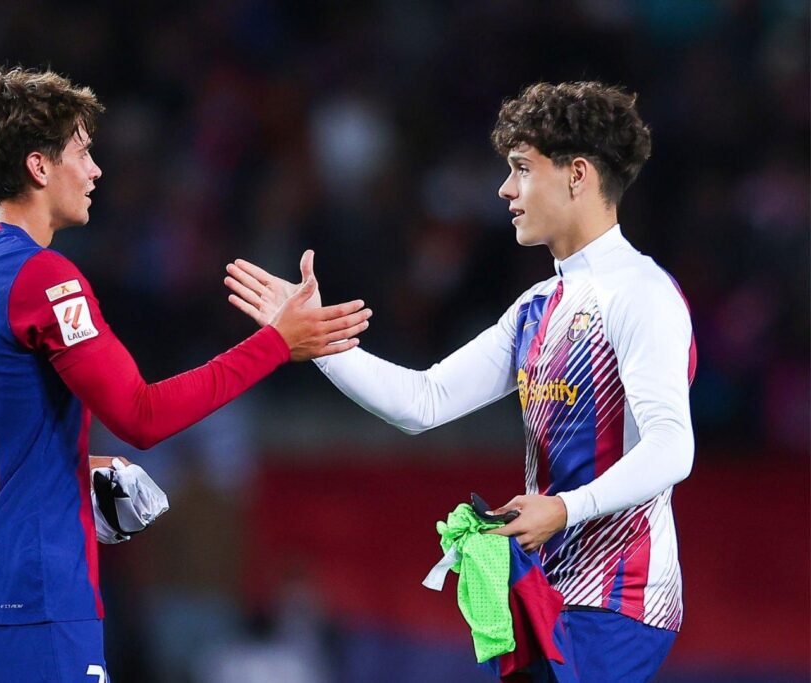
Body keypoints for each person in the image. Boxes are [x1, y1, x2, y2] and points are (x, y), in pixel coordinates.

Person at [0, 64, 372, 683]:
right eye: (83, 152)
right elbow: (141, 417)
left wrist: (65, 467)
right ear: (39, 167)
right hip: (37, 595)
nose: (94, 171)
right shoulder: (43, 278)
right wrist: (275, 345)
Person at [225, 81, 696, 681]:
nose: (506, 189)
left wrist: (564, 508)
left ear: (578, 175)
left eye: (522, 169)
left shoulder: (642, 295)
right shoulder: (536, 307)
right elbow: (425, 401)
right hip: (545, 587)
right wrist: (315, 339)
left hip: (621, 597)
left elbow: (672, 445)